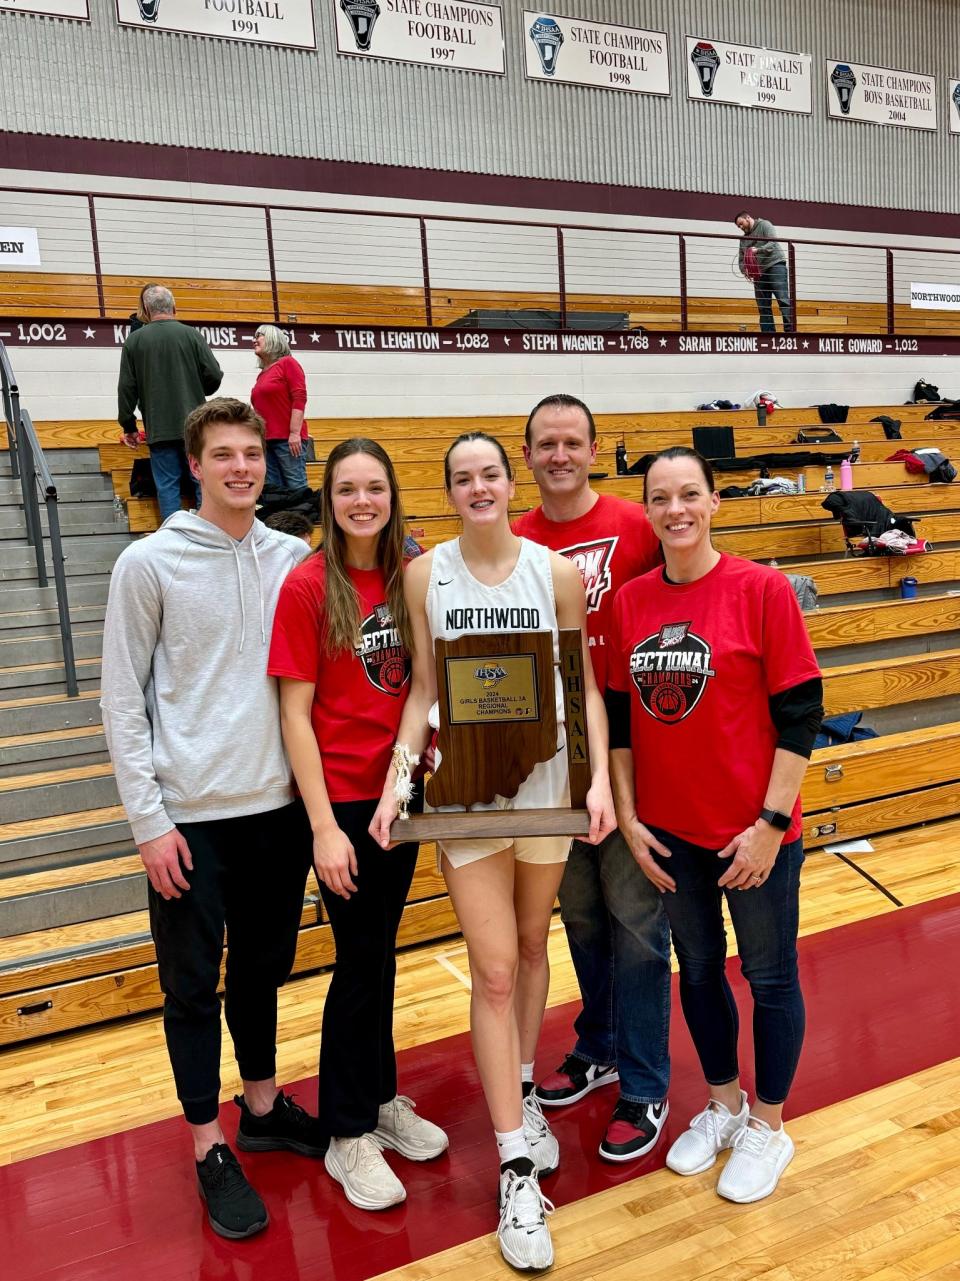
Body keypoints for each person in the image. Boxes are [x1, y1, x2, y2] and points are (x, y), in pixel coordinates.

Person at [370, 431, 616, 1271]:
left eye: (489, 474)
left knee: (536, 944)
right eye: (462, 478)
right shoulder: (421, 575)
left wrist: (596, 780)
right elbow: (424, 694)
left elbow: (578, 680)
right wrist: (396, 780)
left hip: (547, 788)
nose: (479, 487)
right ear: (447, 494)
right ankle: (515, 1161)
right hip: (465, 798)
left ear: (510, 484)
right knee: (497, 967)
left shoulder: (555, 574)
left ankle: (519, 1089)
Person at [100, 396, 323, 1241]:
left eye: (252, 454)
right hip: (189, 819)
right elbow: (122, 703)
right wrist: (149, 824)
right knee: (191, 988)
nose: (240, 467)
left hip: (277, 809)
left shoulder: (290, 558)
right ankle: (205, 1144)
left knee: (262, 970)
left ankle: (261, 1104)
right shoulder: (147, 564)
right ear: (193, 464)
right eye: (223, 454)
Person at [607, 446, 823, 1204]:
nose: (676, 509)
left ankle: (770, 1122)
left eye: (689, 494)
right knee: (696, 972)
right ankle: (725, 1104)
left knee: (769, 978)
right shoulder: (630, 602)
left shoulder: (762, 590)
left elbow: (801, 717)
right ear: (648, 510)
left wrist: (770, 823)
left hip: (752, 835)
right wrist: (630, 819)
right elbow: (622, 725)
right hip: (671, 836)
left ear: (714, 501)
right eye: (660, 498)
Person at [269, 437, 448, 1211]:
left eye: (374, 486)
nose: (362, 500)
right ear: (329, 500)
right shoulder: (309, 584)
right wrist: (324, 828)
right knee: (359, 955)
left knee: (380, 951)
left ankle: (378, 1099)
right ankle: (345, 1131)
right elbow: (294, 714)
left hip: (396, 794)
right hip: (340, 803)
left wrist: (400, 788)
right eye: (347, 488)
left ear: (391, 493)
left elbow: (420, 692)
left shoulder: (412, 575)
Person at [513, 394, 672, 1164]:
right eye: (546, 443)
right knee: (577, 915)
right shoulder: (513, 540)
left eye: (572, 441)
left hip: (634, 750)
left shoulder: (637, 527)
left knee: (638, 922)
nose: (560, 454)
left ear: (593, 448)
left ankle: (645, 1083)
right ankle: (600, 1041)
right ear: (529, 455)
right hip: (551, 755)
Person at [117, 285, 223, 522]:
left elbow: (126, 388)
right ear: (174, 307)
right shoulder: (192, 335)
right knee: (201, 483)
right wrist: (199, 388)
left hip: (159, 428)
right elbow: (214, 375)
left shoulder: (135, 341)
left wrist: (129, 426)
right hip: (194, 427)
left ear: (146, 309)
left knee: (167, 487)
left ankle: (172, 544)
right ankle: (209, 537)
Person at [250, 323, 309, 490]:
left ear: (273, 339)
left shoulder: (288, 363)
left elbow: (299, 397)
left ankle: (303, 517)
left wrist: (294, 433)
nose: (254, 340)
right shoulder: (262, 374)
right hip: (267, 441)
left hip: (287, 440)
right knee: (275, 491)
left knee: (296, 488)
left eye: (259, 336)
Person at [734, 211, 793, 334]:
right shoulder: (743, 240)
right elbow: (741, 258)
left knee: (783, 300)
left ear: (748, 218)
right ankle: (768, 335)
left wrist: (758, 250)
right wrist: (744, 269)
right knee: (763, 306)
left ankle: (790, 332)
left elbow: (772, 243)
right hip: (759, 273)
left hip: (775, 265)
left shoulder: (765, 225)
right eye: (738, 226)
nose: (740, 227)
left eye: (741, 224)